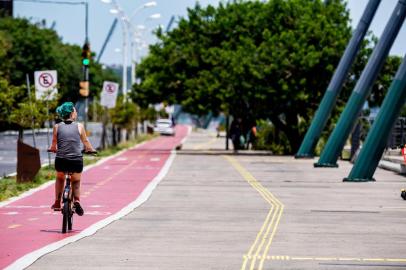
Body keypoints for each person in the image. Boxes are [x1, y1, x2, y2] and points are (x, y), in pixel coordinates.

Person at [48, 102, 96, 216]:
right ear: (71, 113)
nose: (76, 113)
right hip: (76, 161)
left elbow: (54, 145)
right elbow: (86, 142)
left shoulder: (57, 126)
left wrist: (53, 149)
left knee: (60, 178)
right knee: (76, 180)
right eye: (75, 111)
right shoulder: (79, 126)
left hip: (61, 161)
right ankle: (77, 201)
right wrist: (91, 150)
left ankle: (57, 202)